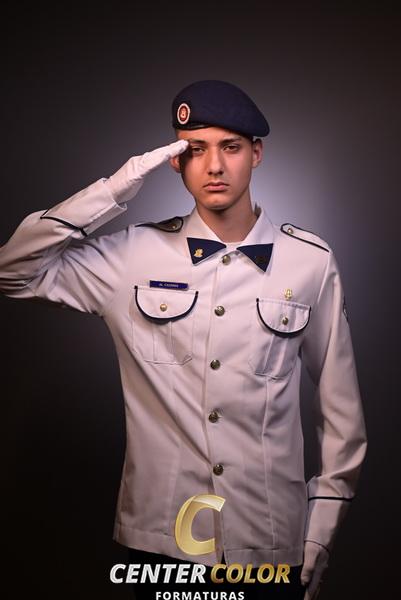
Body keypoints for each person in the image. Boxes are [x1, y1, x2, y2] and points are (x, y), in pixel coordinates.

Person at [0, 80, 367, 599]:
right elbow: (13, 270)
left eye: (230, 147)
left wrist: (321, 532)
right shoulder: (132, 256)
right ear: (175, 161)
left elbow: (342, 414)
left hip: (270, 544)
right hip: (162, 545)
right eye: (196, 149)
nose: (214, 166)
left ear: (257, 153)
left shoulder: (310, 262)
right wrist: (117, 187)